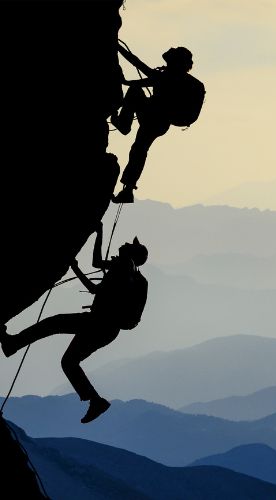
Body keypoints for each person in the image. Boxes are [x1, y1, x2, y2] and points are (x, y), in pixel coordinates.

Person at [0, 223, 148, 423]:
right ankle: (95, 400)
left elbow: (95, 287)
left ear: (132, 252)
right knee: (68, 361)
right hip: (107, 329)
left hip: (97, 323)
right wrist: (98, 235)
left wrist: (77, 265)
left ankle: (13, 344)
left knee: (54, 324)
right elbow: (97, 264)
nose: (124, 243)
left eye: (129, 244)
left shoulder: (122, 266)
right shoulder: (129, 271)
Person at [110, 44, 195, 203]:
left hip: (153, 117)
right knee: (139, 149)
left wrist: (116, 46)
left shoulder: (167, 77)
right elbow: (143, 74)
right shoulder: (182, 80)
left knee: (139, 148)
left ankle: (123, 124)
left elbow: (136, 63)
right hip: (161, 123)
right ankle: (128, 189)